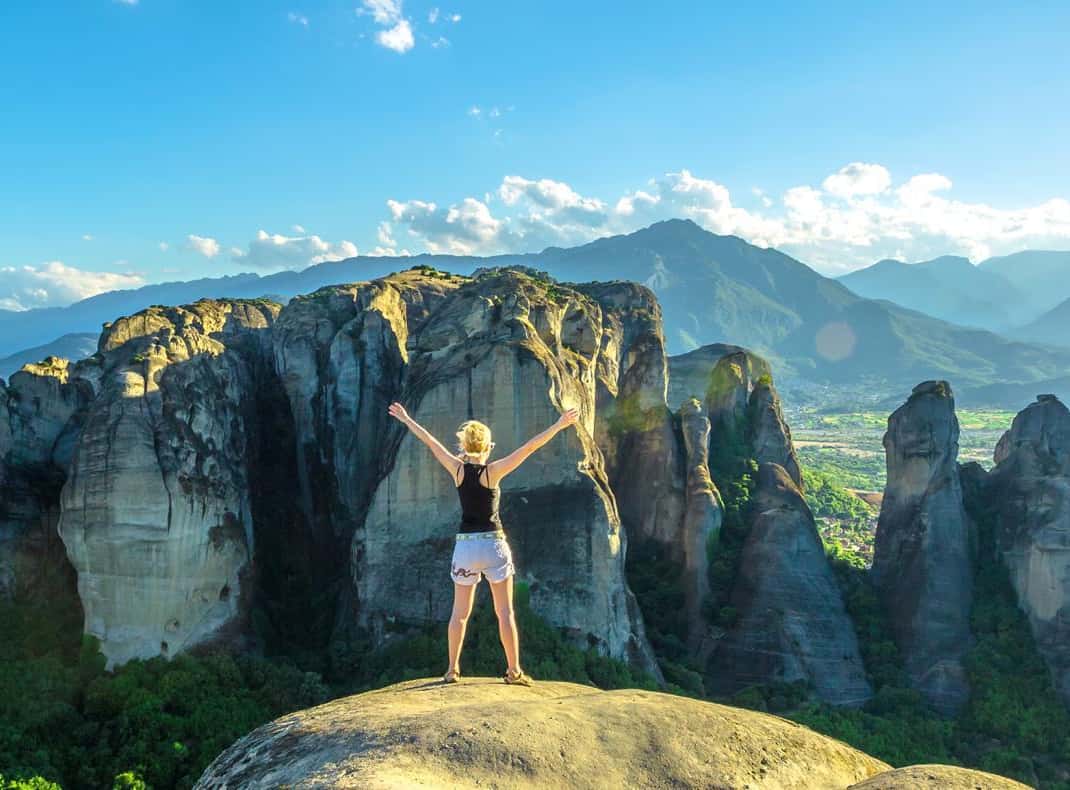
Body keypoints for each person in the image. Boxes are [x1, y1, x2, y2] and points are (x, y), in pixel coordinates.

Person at [387, 401, 580, 686]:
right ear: (488, 447)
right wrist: (559, 424)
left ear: (463, 447)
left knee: (459, 614)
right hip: (494, 545)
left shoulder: (457, 470)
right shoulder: (494, 471)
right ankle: (514, 672)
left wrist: (406, 419)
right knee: (505, 613)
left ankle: (452, 670)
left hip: (465, 548)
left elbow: (430, 441)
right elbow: (530, 447)